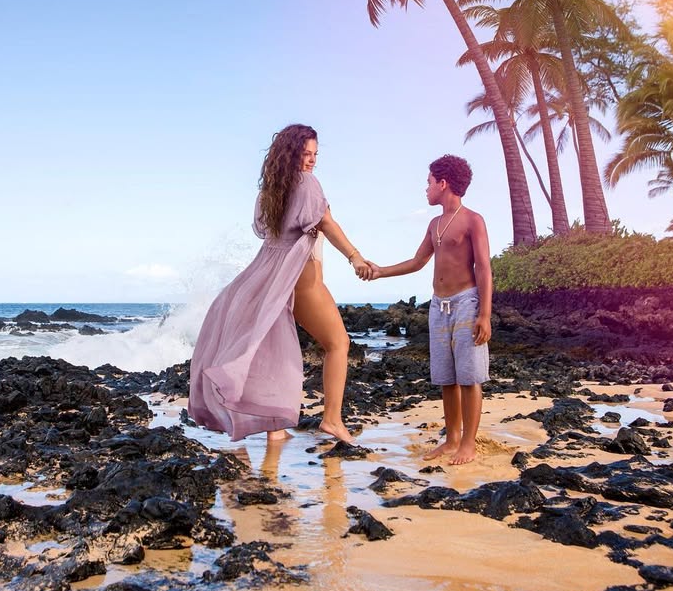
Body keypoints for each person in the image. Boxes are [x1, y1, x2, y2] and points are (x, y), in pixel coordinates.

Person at [189, 124, 369, 444]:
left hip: (268, 276)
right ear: (291, 153)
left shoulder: (271, 190)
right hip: (303, 279)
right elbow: (326, 223)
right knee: (338, 343)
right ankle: (332, 420)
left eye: (315, 155)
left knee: (273, 350)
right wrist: (355, 257)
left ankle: (275, 430)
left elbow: (268, 232)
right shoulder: (306, 183)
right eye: (306, 153)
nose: (311, 160)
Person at [363, 155, 492, 465]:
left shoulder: (473, 220)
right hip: (438, 305)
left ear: (442, 183)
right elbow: (417, 261)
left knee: (469, 376)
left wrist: (484, 315)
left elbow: (484, 267)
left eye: (429, 182)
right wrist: (381, 271)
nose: (426, 188)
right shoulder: (435, 224)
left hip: (466, 302)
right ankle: (451, 440)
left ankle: (468, 444)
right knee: (446, 378)